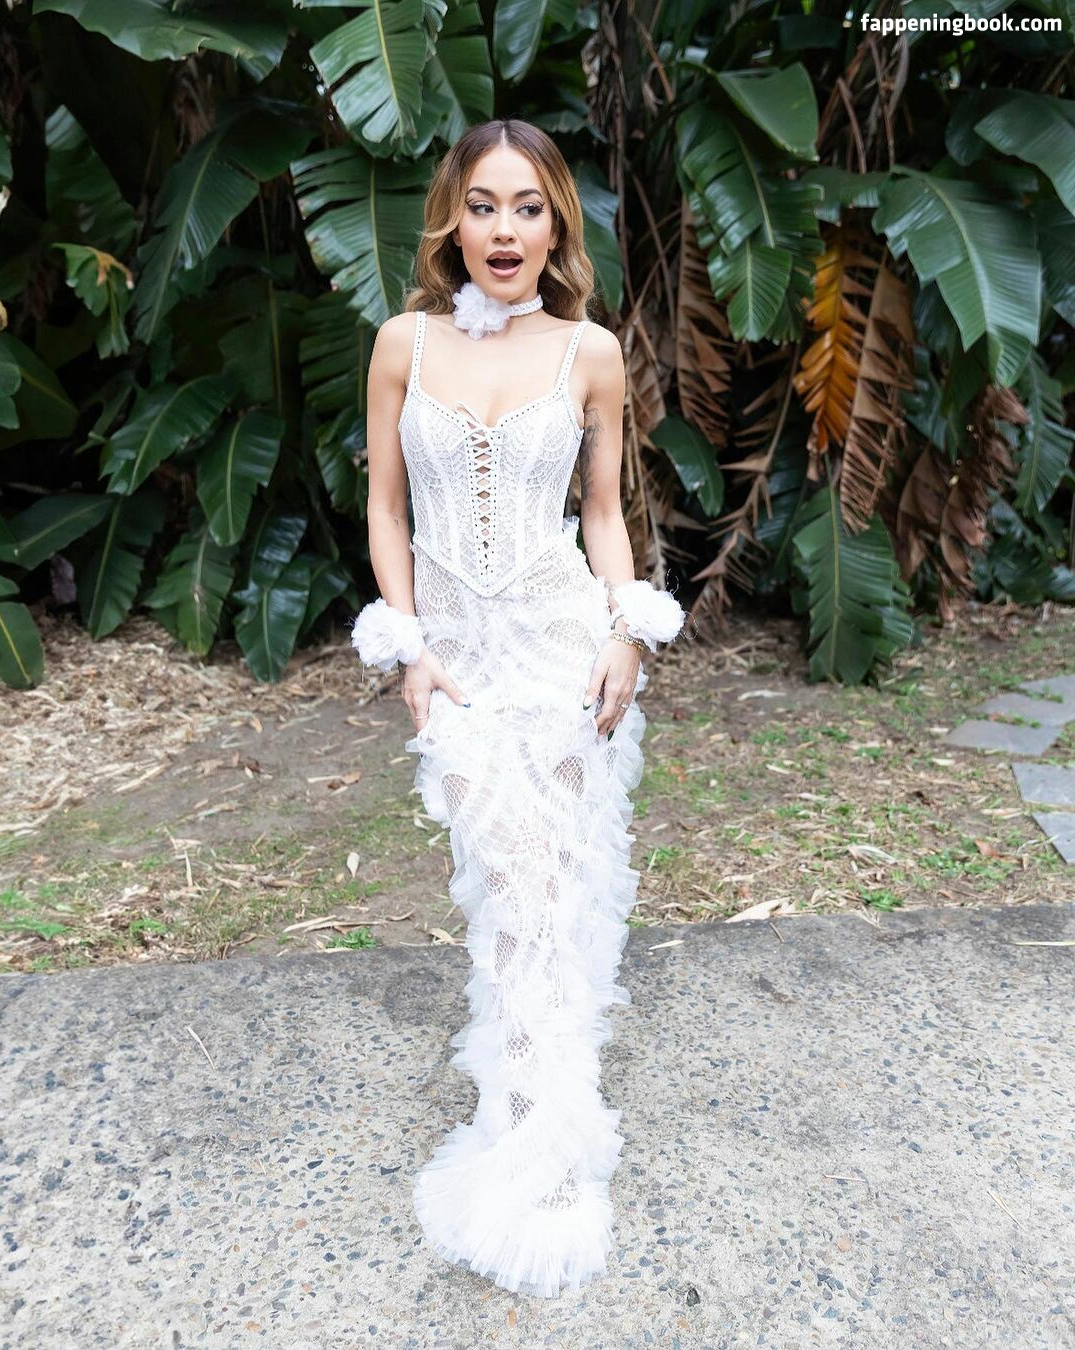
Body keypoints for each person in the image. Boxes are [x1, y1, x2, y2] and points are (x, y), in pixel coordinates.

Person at [350, 118, 686, 1299]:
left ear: (556, 225)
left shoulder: (589, 351)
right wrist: (408, 648)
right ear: (453, 219)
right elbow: (386, 508)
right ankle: (536, 1112)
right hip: (455, 662)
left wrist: (625, 632)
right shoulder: (402, 343)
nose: (504, 230)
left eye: (528, 207)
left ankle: (536, 1131)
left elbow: (601, 513)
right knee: (506, 873)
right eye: (484, 205)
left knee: (554, 887)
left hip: (561, 647)